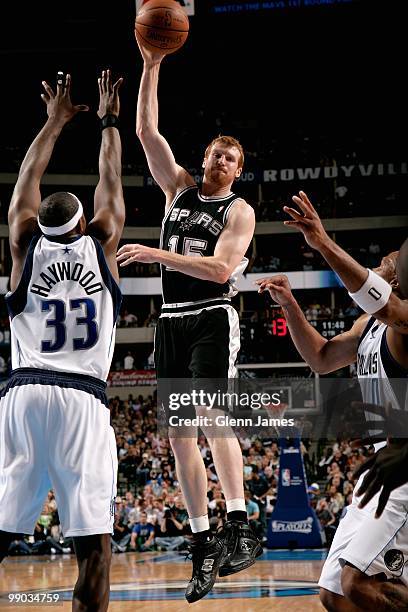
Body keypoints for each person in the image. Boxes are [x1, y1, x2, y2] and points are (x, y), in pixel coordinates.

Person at [116, 42, 261, 603]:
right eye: (216, 154)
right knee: (178, 437)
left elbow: (222, 268)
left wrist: (158, 257)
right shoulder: (177, 190)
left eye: (231, 158)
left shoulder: (238, 210)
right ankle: (203, 542)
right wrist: (151, 66)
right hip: (170, 321)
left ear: (238, 170)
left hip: (211, 318)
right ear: (203, 158)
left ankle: (241, 522)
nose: (221, 162)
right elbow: (148, 134)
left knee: (208, 411)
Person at [0, 70, 125, 611]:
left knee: (2, 528)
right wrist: (108, 122)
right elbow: (112, 182)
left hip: (24, 393)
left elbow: (26, 179)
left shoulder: (24, 245)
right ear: (83, 222)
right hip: (83, 400)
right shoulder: (103, 244)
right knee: (93, 548)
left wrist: (52, 123)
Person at [257, 192, 408, 612]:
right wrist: (289, 306)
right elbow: (321, 359)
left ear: (394, 280)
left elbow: (385, 303)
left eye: (385, 264)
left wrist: (322, 241)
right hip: (378, 470)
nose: (376, 266)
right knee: (335, 596)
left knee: (357, 584)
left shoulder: (403, 317)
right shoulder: (367, 326)